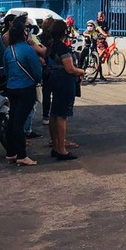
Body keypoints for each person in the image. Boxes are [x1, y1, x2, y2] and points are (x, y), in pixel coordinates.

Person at [3, 19, 42, 167]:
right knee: (19, 123)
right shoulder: (27, 49)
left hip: (11, 88)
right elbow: (37, 71)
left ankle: (10, 152)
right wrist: (37, 80)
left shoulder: (9, 50)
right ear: (23, 33)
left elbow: (6, 70)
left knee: (13, 119)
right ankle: (22, 155)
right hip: (26, 88)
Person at [45, 19, 83, 161]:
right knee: (62, 116)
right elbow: (69, 68)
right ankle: (62, 149)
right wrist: (81, 71)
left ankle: (56, 146)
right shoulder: (63, 48)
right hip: (64, 82)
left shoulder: (51, 46)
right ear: (64, 32)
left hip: (54, 81)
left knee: (54, 114)